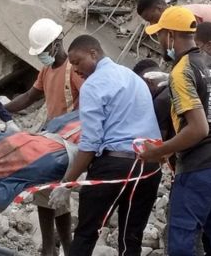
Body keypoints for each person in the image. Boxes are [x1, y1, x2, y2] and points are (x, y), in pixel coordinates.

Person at [140, 6, 211, 256]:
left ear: (171, 36)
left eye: (161, 35)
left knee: (182, 239)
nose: (160, 42)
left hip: (200, 167)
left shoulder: (181, 71)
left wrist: (159, 151)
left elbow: (198, 128)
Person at [48, 35, 162, 256]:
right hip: (149, 166)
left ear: (94, 53)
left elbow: (90, 145)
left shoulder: (92, 85)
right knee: (131, 238)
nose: (75, 69)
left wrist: (66, 183)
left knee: (86, 233)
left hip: (115, 165)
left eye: (78, 62)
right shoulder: (132, 77)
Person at [2, 18, 83, 256]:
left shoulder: (74, 69)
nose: (43, 55)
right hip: (54, 137)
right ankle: (58, 247)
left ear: (57, 43)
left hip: (70, 141)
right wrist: (2, 108)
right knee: (50, 192)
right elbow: (29, 96)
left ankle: (54, 247)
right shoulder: (47, 69)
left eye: (45, 50)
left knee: (47, 187)